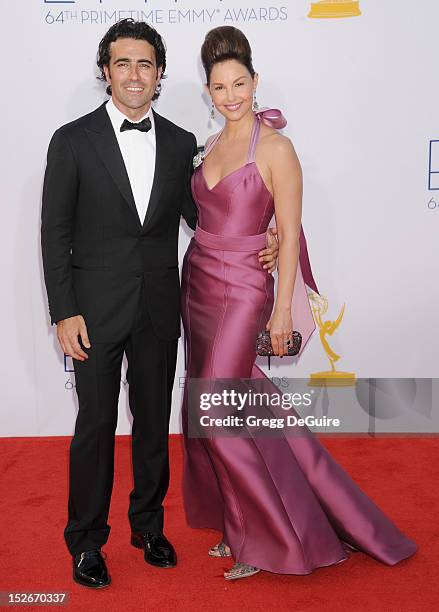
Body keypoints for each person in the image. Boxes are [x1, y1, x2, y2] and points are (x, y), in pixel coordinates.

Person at [41, 19, 278, 589]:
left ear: (160, 75)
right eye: (122, 63)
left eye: (145, 64)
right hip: (92, 313)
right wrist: (63, 311)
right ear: (106, 72)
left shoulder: (178, 144)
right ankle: (87, 540)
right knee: (95, 425)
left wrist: (262, 236)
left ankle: (148, 525)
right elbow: (55, 232)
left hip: (159, 307)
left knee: (152, 424)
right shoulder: (71, 140)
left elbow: (204, 217)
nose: (133, 74)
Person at [181, 25, 417, 580]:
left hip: (244, 291)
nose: (231, 95)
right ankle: (236, 520)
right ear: (208, 93)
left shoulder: (278, 148)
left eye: (240, 83)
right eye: (219, 87)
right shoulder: (209, 143)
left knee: (219, 413)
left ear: (255, 82)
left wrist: (281, 310)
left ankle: (271, 540)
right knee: (218, 407)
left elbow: (288, 233)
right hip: (197, 285)